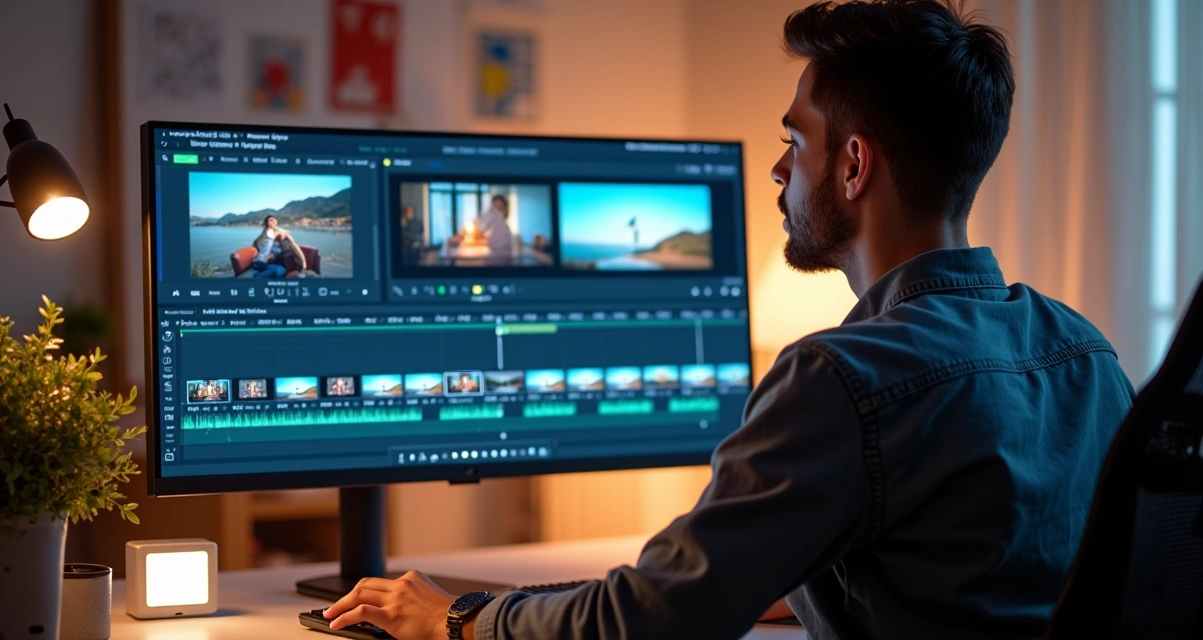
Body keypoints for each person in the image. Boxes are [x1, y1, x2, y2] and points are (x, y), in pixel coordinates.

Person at [322, 2, 1135, 638]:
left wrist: (456, 617)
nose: (779, 169)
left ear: (854, 164)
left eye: (795, 140)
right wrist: (774, 578)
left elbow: (642, 624)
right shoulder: (1085, 351)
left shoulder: (841, 379)